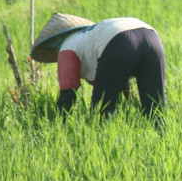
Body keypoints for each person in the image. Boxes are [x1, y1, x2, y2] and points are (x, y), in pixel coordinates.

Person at [31, 13, 166, 119]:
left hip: (118, 40)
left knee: (101, 113)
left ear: (54, 46)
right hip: (152, 37)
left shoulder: (66, 48)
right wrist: (128, 100)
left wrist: (60, 123)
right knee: (155, 109)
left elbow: (68, 93)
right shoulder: (89, 36)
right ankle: (162, 137)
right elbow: (121, 75)